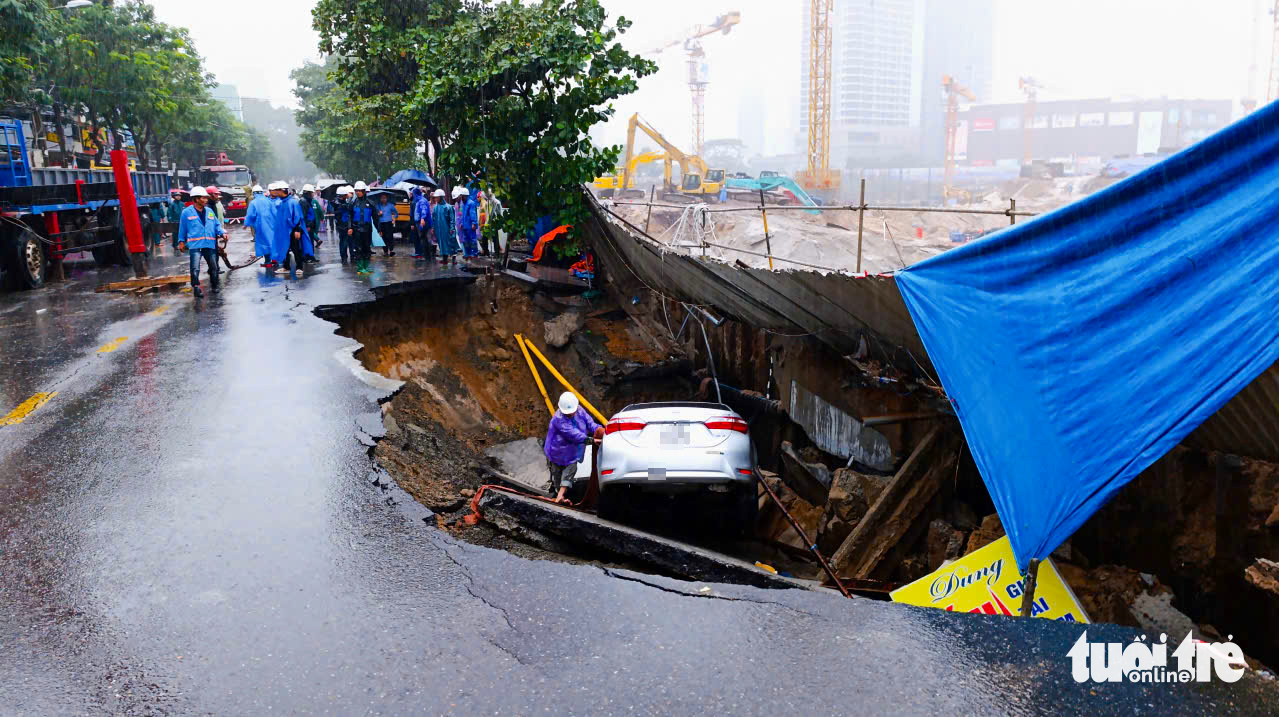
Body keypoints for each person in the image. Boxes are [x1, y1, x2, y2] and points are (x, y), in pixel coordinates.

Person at [544, 392, 602, 504]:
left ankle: (560, 495)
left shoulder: (579, 410)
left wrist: (598, 430)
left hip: (572, 451)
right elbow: (573, 434)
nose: (571, 414)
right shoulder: (558, 419)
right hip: (557, 451)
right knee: (557, 474)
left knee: (570, 469)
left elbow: (589, 422)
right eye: (568, 413)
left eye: (572, 412)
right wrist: (591, 440)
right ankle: (557, 493)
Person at [177, 186, 224, 298]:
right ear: (196, 199)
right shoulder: (186, 212)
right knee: (195, 268)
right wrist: (181, 241)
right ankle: (196, 288)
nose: (206, 200)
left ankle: (215, 285)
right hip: (195, 246)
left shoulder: (209, 211)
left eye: (206, 197)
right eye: (203, 198)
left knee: (213, 267)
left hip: (209, 244)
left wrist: (222, 233)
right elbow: (182, 228)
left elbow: (216, 225)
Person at [269, 181, 305, 270]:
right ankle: (286, 267)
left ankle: (299, 267)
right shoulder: (280, 203)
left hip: (292, 230)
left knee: (296, 249)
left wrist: (297, 230)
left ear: (282, 190)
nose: (275, 192)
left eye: (277, 190)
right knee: (284, 249)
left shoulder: (293, 202)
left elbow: (298, 217)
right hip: (283, 231)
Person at [349, 181, 376, 274]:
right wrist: (350, 227)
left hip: (367, 230)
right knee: (358, 248)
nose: (357, 192)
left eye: (359, 190)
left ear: (364, 191)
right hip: (357, 230)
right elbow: (350, 217)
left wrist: (379, 229)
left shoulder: (371, 203)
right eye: (356, 190)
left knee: (367, 248)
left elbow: (375, 217)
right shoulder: (353, 203)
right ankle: (360, 268)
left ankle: (366, 266)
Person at [243, 184, 274, 263]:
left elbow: (250, 214)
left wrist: (246, 224)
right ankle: (274, 259)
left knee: (264, 243)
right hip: (271, 225)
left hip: (260, 226)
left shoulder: (253, 203)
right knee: (271, 241)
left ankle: (268, 261)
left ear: (254, 193)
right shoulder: (269, 201)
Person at [432, 188, 459, 267]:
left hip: (447, 229)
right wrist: (433, 228)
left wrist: (452, 228)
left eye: (437, 197)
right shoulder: (436, 208)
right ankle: (444, 259)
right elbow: (433, 218)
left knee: (451, 243)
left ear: (441, 197)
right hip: (439, 229)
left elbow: (452, 219)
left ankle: (454, 258)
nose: (435, 199)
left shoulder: (449, 207)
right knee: (441, 243)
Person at [458, 186, 479, 261]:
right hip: (465, 226)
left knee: (472, 240)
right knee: (466, 240)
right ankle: (468, 254)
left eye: (462, 196)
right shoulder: (464, 204)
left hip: (470, 226)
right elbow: (464, 215)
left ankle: (474, 254)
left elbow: (472, 214)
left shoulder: (471, 203)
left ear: (465, 196)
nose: (461, 197)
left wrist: (474, 223)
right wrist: (461, 223)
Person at [410, 187, 432, 260]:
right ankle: (426, 256)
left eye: (413, 194)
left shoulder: (422, 201)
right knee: (423, 239)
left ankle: (426, 256)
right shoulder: (419, 200)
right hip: (420, 223)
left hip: (423, 223)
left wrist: (422, 219)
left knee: (423, 239)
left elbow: (423, 210)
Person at [333, 186, 354, 263]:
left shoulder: (338, 201)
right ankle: (344, 257)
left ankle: (347, 257)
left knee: (346, 242)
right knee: (344, 242)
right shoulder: (339, 203)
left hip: (343, 225)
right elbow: (345, 210)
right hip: (343, 226)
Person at [376, 192, 396, 257]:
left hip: (389, 223)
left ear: (387, 198)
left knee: (389, 237)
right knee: (383, 237)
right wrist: (379, 214)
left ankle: (391, 250)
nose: (383, 199)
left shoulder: (391, 205)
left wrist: (394, 219)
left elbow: (396, 213)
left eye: (384, 198)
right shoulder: (378, 206)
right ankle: (385, 251)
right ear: (380, 199)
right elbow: (375, 215)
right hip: (381, 223)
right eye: (382, 198)